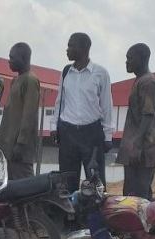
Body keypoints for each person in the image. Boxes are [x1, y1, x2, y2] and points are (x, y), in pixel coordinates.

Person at [51, 33, 113, 192]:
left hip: (91, 134)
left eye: (71, 45)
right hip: (68, 132)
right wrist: (54, 127)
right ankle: (69, 216)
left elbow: (106, 106)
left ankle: (95, 217)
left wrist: (107, 136)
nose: (67, 49)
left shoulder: (100, 73)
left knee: (95, 183)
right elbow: (60, 101)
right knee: (66, 183)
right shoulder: (65, 72)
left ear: (84, 48)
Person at [116, 43, 155, 199]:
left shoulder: (148, 82)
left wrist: (136, 145)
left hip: (143, 149)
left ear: (142, 59)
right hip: (135, 148)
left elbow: (148, 114)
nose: (127, 62)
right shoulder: (139, 81)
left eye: (130, 58)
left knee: (139, 196)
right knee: (130, 194)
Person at [0, 42, 40, 179]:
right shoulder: (16, 80)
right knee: (11, 186)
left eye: (12, 58)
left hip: (20, 148)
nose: (9, 61)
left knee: (24, 186)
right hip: (9, 147)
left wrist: (21, 144)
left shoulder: (30, 80)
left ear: (23, 58)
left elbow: (29, 115)